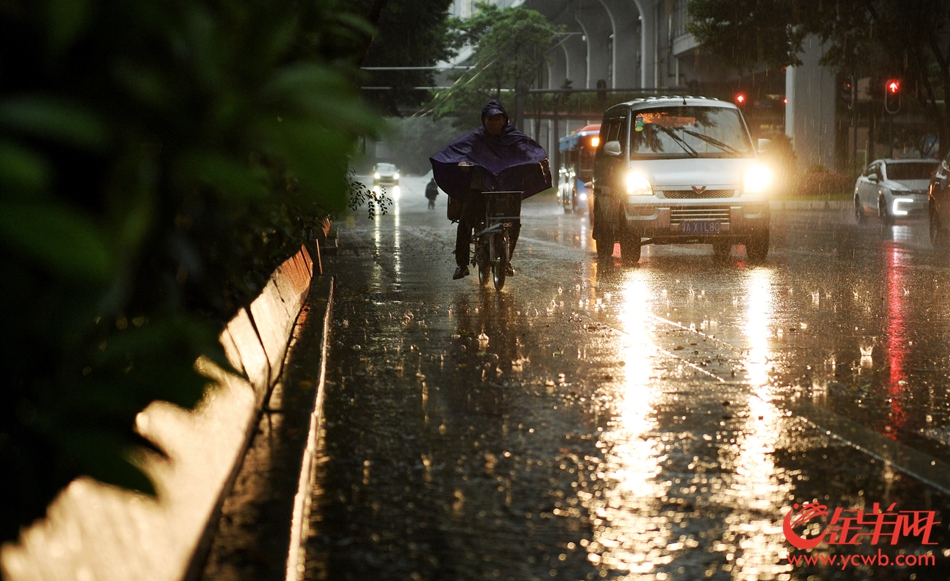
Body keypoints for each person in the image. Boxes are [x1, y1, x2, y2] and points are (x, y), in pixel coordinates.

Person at [429, 100, 551, 280]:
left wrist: (532, 162)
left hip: (506, 190)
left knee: (514, 223)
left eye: (497, 119)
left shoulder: (514, 138)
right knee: (465, 222)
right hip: (480, 189)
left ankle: (507, 260)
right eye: (490, 119)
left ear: (504, 120)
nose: (494, 123)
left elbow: (529, 151)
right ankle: (462, 264)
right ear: (484, 121)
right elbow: (461, 151)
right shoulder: (475, 138)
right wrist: (463, 163)